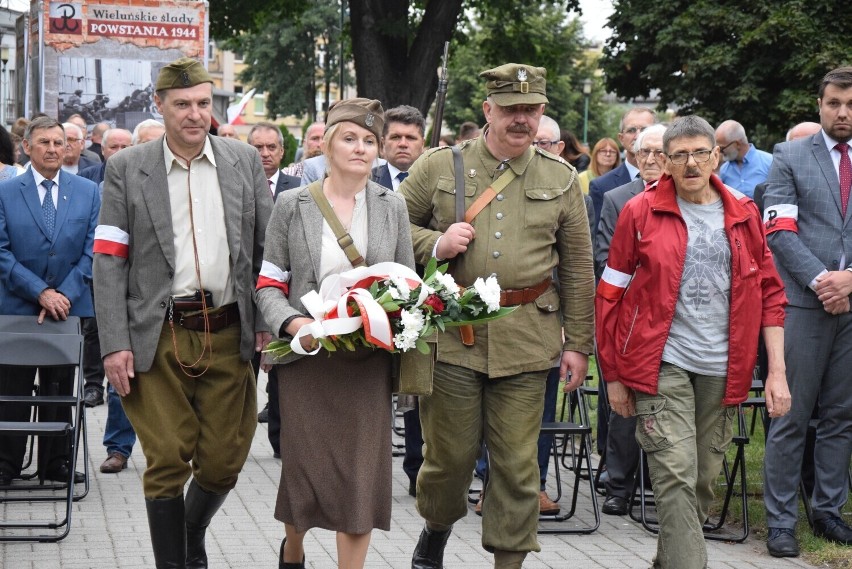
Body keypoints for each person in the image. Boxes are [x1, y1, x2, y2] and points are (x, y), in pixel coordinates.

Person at [400, 63, 595, 569]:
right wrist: (435, 243)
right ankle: (436, 530)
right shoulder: (440, 167)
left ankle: (509, 563)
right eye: (510, 109)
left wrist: (578, 343)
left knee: (516, 466)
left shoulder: (562, 177)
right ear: (488, 110)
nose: (521, 119)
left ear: (542, 114)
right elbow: (392, 229)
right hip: (453, 334)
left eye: (531, 110)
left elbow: (577, 266)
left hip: (528, 337)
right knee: (451, 461)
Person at [93, 57, 273, 568]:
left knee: (223, 461)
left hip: (228, 330)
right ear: (160, 106)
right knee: (167, 458)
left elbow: (266, 252)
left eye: (201, 104)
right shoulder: (128, 167)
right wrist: (113, 342)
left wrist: (265, 323)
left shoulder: (241, 160)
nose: (194, 115)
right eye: (182, 105)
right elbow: (108, 259)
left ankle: (190, 532)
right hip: (158, 334)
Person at [597, 115, 790, 569]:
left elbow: (770, 293)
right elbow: (609, 295)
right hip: (660, 364)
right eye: (678, 155)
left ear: (715, 156)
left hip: (725, 369)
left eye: (699, 153)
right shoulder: (639, 212)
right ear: (663, 161)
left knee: (701, 482)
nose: (689, 163)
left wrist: (777, 371)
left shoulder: (744, 212)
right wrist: (613, 377)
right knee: (676, 477)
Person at [255, 98, 415, 569]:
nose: (361, 148)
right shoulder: (292, 204)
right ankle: (295, 546)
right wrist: (294, 323)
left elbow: (407, 282)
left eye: (370, 141)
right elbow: (267, 284)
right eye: (350, 138)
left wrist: (396, 316)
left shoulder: (393, 207)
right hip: (308, 361)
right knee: (305, 473)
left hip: (367, 364)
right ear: (326, 144)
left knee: (362, 480)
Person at [762, 66, 852, 557]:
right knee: (790, 414)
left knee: (842, 415)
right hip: (801, 304)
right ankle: (780, 522)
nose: (843, 112)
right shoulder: (790, 155)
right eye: (835, 102)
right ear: (819, 105)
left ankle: (828, 511)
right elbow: (778, 230)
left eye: (851, 104)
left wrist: (851, 281)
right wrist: (824, 282)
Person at [0, 116, 100, 487]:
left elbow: (93, 250)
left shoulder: (87, 191)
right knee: (12, 390)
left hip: (68, 309)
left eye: (59, 142)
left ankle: (56, 463)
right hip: (17, 308)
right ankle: (7, 464)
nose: (53, 149)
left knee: (60, 390)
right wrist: (40, 292)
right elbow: (1, 251)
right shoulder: (6, 191)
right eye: (44, 142)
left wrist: (63, 295)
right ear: (26, 147)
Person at [594, 124, 667, 517]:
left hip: (673, 319)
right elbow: (604, 257)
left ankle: (658, 481)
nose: (652, 159)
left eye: (659, 152)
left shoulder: (688, 196)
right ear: (634, 157)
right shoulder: (618, 198)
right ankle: (619, 484)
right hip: (630, 316)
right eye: (645, 153)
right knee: (625, 405)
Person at [246, 121, 299, 455]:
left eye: (271, 147)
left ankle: (282, 443)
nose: (264, 153)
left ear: (282, 151)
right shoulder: (238, 183)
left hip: (285, 294)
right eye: (257, 147)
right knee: (244, 372)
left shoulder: (299, 188)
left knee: (282, 372)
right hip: (246, 290)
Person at [589, 107, 657, 227]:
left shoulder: (674, 181)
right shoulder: (601, 186)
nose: (638, 136)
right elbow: (598, 241)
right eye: (631, 130)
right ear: (621, 138)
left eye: (645, 130)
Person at [372, 104, 426, 192]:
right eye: (395, 137)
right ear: (383, 143)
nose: (403, 144)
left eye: (410, 137)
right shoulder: (366, 181)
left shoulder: (434, 182)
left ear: (422, 144)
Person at [715, 119, 773, 198]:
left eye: (722, 148)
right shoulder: (724, 170)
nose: (721, 152)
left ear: (737, 144)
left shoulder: (769, 162)